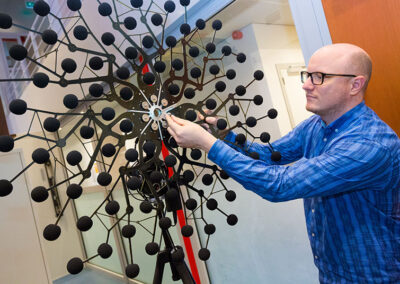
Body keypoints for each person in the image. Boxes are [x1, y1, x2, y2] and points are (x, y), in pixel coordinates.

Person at [165, 43, 400, 283]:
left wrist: (207, 144)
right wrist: (222, 136)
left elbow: (280, 184)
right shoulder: (316, 125)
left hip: (374, 276)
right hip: (331, 272)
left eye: (319, 77)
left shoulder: (369, 145)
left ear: (355, 85)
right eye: (308, 75)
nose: (306, 84)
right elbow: (269, 154)